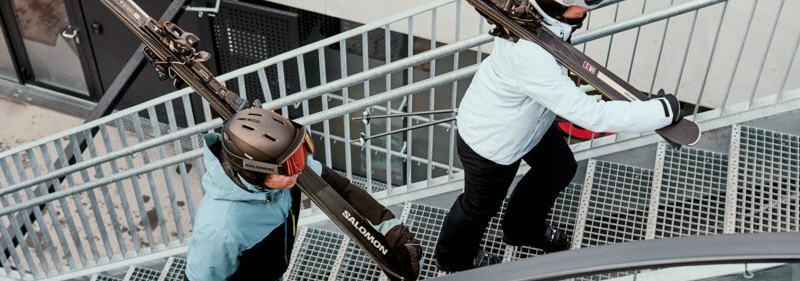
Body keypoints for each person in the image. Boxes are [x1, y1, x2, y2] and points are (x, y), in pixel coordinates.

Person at [433, 0, 684, 272]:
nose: (588, 9)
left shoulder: (532, 19)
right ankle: (454, 261)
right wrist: (661, 112)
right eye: (585, 3)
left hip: (527, 122)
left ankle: (522, 229)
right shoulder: (531, 55)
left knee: (559, 168)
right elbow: (592, 115)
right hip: (490, 142)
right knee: (478, 207)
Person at [185, 107, 423, 281]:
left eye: (300, 154)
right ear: (255, 173)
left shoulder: (284, 171)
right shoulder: (219, 230)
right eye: (291, 165)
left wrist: (390, 227)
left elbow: (340, 189)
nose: (300, 169)